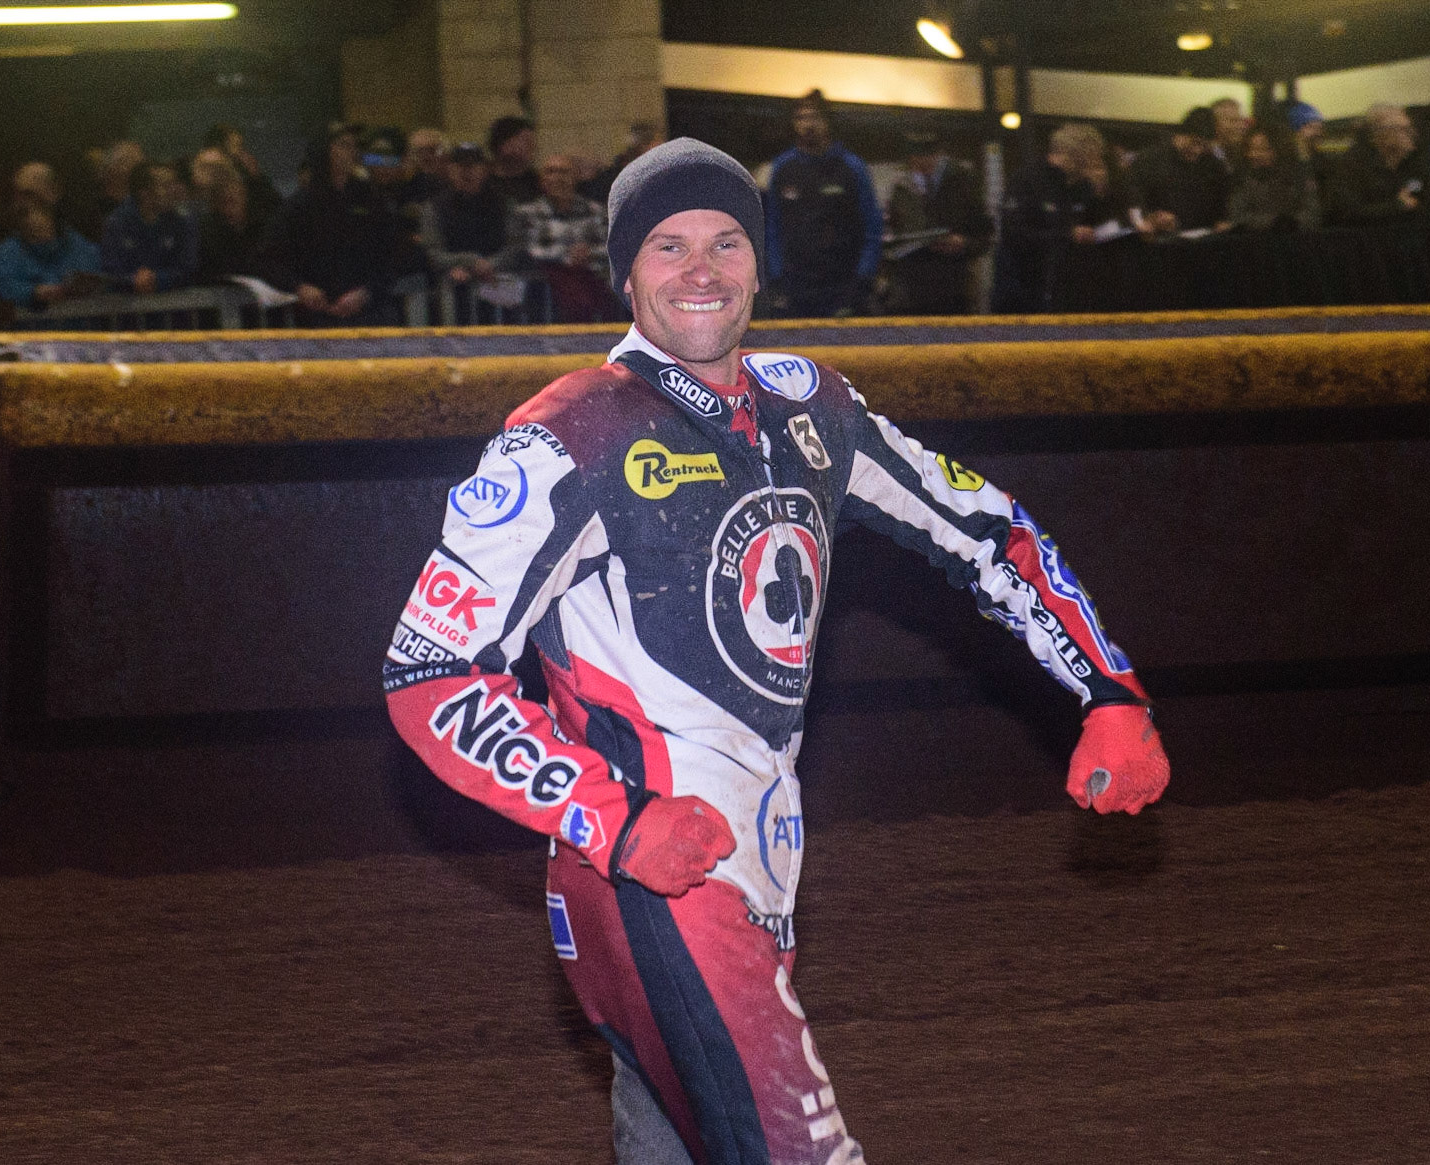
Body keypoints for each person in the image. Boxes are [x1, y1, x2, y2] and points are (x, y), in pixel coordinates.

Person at [382, 136, 1170, 1165]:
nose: (700, 271)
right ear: (625, 272)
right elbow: (429, 672)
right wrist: (614, 821)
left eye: (725, 242)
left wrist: (1107, 686)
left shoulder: (814, 406)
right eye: (667, 247)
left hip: (758, 855)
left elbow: (989, 530)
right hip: (655, 880)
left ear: (760, 262)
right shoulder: (570, 434)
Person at [257, 123, 403, 324]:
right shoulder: (299, 206)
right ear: (323, 151)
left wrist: (366, 292)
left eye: (354, 146)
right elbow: (269, 258)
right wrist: (300, 287)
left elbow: (390, 256)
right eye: (343, 145)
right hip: (317, 317)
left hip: (370, 313)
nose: (352, 152)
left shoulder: (372, 200)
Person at [764, 90, 883, 317]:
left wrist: (864, 275)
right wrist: (776, 275)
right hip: (796, 285)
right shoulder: (783, 168)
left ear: (827, 122)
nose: (808, 124)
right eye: (801, 118)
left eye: (815, 117)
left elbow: (872, 226)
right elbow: (772, 227)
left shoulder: (852, 167)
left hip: (843, 284)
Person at [991, 122, 1102, 312]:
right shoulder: (1027, 180)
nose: (1093, 166)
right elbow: (1013, 232)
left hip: (1065, 287)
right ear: (1071, 156)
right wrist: (1067, 235)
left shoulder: (1081, 185)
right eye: (1088, 159)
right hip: (1022, 285)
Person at [881, 129, 993, 315]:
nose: (921, 162)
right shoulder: (900, 186)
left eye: (928, 154)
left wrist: (963, 243)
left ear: (940, 153)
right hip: (910, 291)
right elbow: (890, 233)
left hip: (953, 288)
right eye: (916, 155)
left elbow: (985, 235)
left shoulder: (964, 182)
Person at [500, 153, 615, 322]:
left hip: (594, 293)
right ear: (542, 179)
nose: (557, 178)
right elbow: (522, 250)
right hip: (542, 301)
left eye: (563, 172)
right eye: (551, 172)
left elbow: (612, 247)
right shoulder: (524, 214)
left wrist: (589, 253)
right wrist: (567, 255)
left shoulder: (596, 211)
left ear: (575, 177)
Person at [1324, 104, 1430, 227]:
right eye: (1403, 130)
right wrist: (1395, 207)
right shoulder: (1353, 164)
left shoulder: (1417, 158)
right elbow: (1345, 213)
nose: (1412, 134)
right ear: (1382, 134)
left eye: (1410, 128)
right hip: (1368, 239)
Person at [1127, 107, 1231, 235]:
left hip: (1202, 239)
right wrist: (1148, 219)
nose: (1197, 151)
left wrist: (1223, 221)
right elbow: (1134, 199)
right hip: (1161, 239)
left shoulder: (1213, 166)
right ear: (1181, 134)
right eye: (1194, 143)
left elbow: (1221, 205)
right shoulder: (1150, 159)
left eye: (1204, 146)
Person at [100, 160, 199, 294]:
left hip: (173, 309)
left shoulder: (183, 221)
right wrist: (133, 280)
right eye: (166, 186)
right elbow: (110, 270)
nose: (174, 190)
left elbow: (188, 268)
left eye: (174, 184)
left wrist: (157, 279)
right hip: (128, 310)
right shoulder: (118, 223)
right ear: (144, 193)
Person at [420, 142, 509, 286]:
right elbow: (432, 253)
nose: (466, 171)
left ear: (485, 169)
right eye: (460, 166)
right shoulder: (434, 208)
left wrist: (490, 265)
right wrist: (468, 262)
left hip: (498, 287)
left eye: (473, 165)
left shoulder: (504, 204)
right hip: (454, 289)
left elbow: (515, 246)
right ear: (450, 170)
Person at [0, 197, 102, 308]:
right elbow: (6, 286)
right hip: (35, 321)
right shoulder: (10, 251)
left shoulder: (74, 242)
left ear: (51, 219)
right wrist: (33, 292)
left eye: (43, 227)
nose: (43, 236)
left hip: (80, 316)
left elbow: (93, 270)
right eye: (32, 232)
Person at [1226, 123, 1318, 232]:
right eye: (1251, 149)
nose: (1254, 155)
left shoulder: (1298, 177)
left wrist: (1291, 223)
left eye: (1263, 149)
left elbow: (1313, 214)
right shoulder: (1242, 178)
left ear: (1279, 150)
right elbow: (1238, 217)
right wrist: (1273, 222)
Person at [486, 115, 542, 206]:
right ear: (504, 144)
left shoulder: (537, 182)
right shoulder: (482, 180)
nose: (532, 146)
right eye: (525, 141)